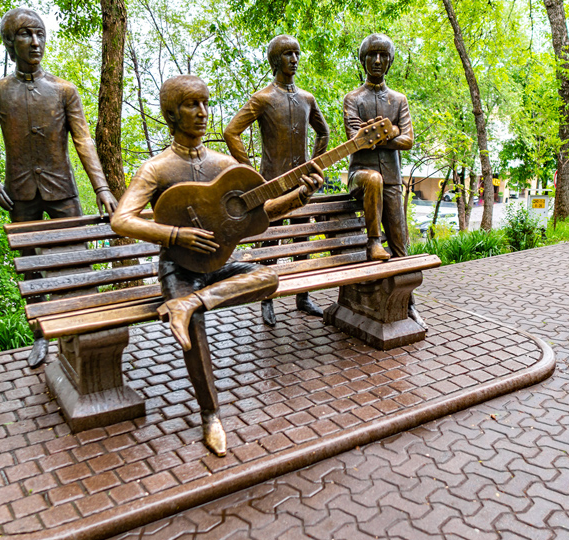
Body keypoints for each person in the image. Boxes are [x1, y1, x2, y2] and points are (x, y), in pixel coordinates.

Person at [111, 75, 323, 457]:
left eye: (206, 103)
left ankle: (191, 303)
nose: (203, 113)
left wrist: (299, 196)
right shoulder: (156, 168)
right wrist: (175, 235)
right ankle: (211, 416)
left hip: (221, 265)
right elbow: (121, 220)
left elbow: (260, 215)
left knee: (269, 277)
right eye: (192, 105)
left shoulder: (224, 164)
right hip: (179, 269)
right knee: (192, 329)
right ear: (171, 114)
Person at [0, 8, 118, 368]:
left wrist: (103, 188)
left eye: (40, 34)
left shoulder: (64, 90)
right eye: (25, 35)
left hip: (62, 190)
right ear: (8, 43)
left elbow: (84, 142)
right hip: (19, 194)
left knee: (77, 262)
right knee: (31, 270)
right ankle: (40, 334)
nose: (35, 42)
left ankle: (86, 327)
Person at [224, 35, 330, 326]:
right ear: (274, 60)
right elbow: (231, 132)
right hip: (270, 184)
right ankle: (266, 298)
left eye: (296, 53)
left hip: (302, 184)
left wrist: (315, 165)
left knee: (302, 240)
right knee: (269, 243)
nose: (294, 59)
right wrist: (250, 175)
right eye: (287, 54)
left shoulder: (308, 98)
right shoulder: (263, 98)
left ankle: (303, 296)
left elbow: (324, 132)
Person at [343, 33, 424, 326]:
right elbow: (355, 140)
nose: (377, 61)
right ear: (363, 60)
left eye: (383, 56)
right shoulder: (353, 99)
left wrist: (383, 136)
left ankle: (409, 303)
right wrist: (391, 133)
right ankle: (373, 243)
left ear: (389, 62)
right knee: (373, 178)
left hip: (391, 178)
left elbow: (408, 140)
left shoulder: (399, 99)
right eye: (372, 56)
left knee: (401, 242)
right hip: (360, 176)